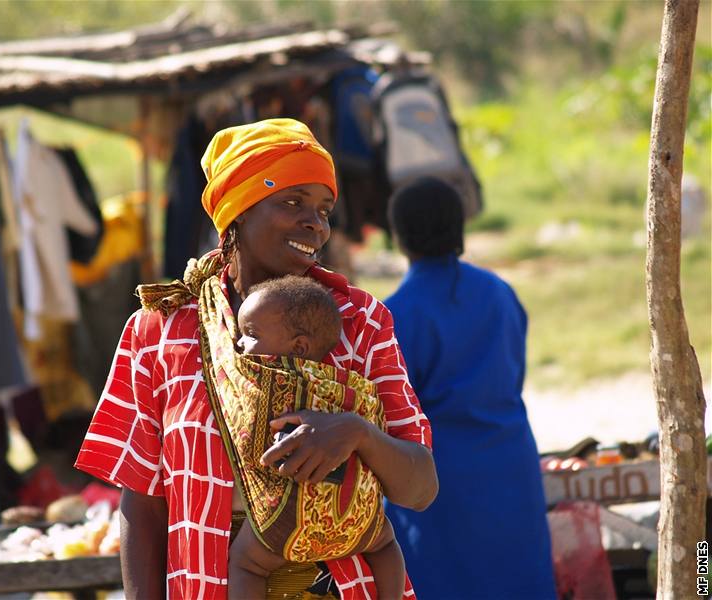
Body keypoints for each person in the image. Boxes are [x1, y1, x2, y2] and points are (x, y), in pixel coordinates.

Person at [75, 118, 437, 600]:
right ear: (238, 212)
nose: (316, 223)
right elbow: (143, 504)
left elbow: (420, 488)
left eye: (324, 208)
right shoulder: (162, 330)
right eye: (293, 202)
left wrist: (357, 433)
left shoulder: (359, 321)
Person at [383, 177, 556, 600]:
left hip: (438, 479)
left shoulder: (395, 314)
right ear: (460, 226)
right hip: (510, 463)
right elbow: (513, 372)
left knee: (444, 582)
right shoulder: (499, 292)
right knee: (518, 577)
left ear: (399, 237)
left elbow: (393, 411)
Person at [230, 275, 405, 600]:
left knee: (245, 563)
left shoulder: (263, 386)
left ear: (298, 347)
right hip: (355, 518)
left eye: (250, 335)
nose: (239, 344)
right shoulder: (351, 385)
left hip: (289, 519)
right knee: (386, 543)